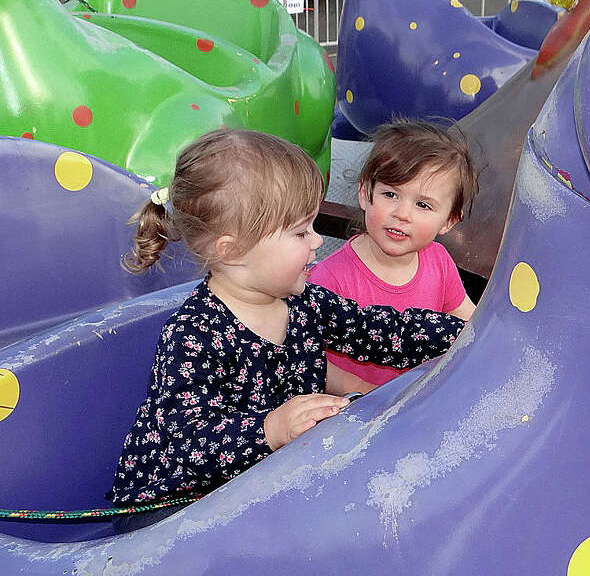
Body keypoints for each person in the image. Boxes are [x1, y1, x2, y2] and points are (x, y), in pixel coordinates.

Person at [107, 129, 464, 533]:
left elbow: (379, 330)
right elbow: (187, 443)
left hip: (261, 483)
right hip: (173, 509)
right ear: (231, 249)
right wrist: (269, 430)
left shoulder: (302, 301)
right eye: (300, 231)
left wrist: (465, 332)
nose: (317, 241)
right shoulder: (195, 334)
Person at [312, 119, 478, 396]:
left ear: (449, 221)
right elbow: (312, 362)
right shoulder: (329, 279)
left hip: (418, 400)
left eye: (422, 205)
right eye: (391, 194)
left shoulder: (438, 260)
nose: (402, 213)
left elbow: (469, 323)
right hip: (351, 413)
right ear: (366, 194)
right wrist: (367, 393)